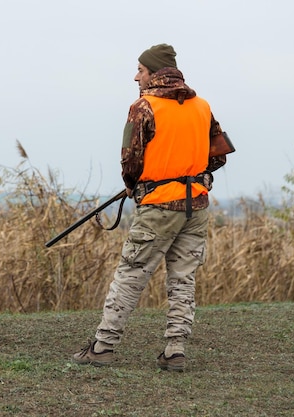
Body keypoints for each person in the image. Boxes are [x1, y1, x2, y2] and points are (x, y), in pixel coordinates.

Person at [72, 43, 229, 371]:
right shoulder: (202, 106)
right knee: (183, 278)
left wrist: (135, 185)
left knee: (131, 274)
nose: (135, 76)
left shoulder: (143, 107)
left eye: (140, 71)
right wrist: (193, 176)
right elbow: (219, 155)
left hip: (157, 207)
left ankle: (103, 346)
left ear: (154, 72)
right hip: (196, 205)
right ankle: (175, 350)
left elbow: (130, 159)